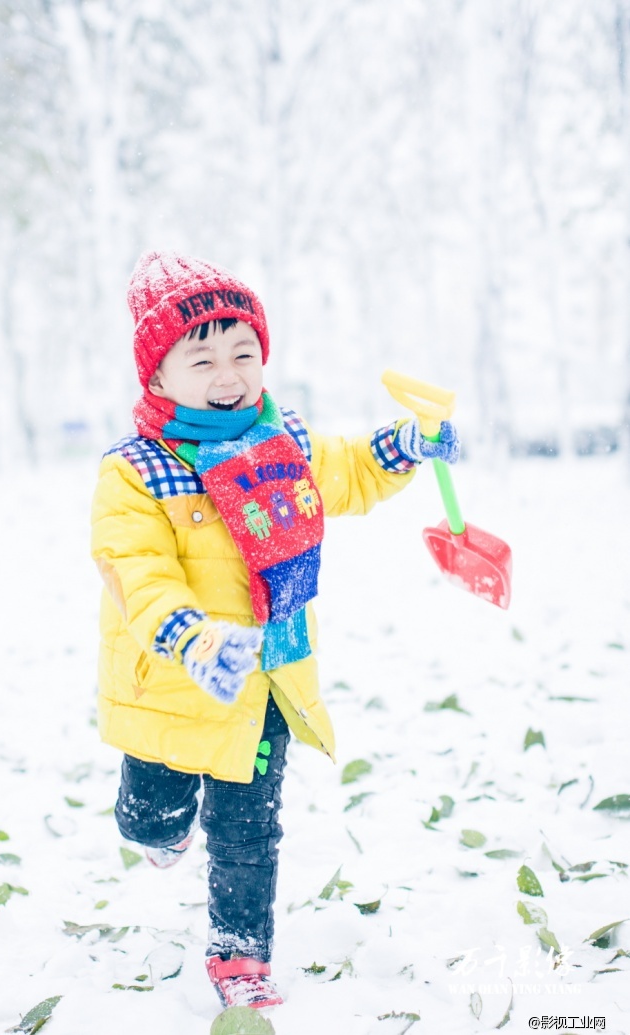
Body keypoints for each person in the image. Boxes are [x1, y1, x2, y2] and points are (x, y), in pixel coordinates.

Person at [90, 251, 459, 1010]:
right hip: (171, 683)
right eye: (202, 357)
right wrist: (192, 636)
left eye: (243, 352)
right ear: (157, 377)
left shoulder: (281, 439)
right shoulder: (135, 472)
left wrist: (403, 448)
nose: (229, 374)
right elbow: (138, 571)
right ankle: (161, 831)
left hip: (266, 674)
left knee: (249, 834)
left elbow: (347, 473)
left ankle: (239, 953)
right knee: (150, 816)